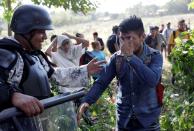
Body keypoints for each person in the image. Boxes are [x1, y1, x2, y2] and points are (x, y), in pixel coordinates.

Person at [0, 4, 105, 116]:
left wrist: (85, 70)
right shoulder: (6, 54)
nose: (45, 37)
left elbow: (54, 75)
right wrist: (12, 95)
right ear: (26, 31)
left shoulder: (34, 55)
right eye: (41, 32)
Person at [78, 15, 163, 130]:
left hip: (148, 121)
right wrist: (87, 101)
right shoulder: (116, 58)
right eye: (122, 38)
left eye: (129, 38)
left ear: (142, 36)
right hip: (124, 121)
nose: (124, 43)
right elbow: (102, 82)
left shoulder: (155, 56)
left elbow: (152, 80)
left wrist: (131, 57)